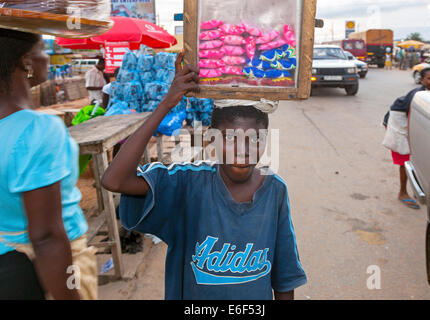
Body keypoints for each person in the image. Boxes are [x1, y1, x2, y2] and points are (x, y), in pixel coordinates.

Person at [101, 53, 307, 300]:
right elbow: (114, 180)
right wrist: (166, 103)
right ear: (212, 138)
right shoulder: (188, 183)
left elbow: (284, 276)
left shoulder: (275, 190)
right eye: (230, 139)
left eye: (254, 139)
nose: (242, 151)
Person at [0, 29, 97, 299]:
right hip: (46, 273)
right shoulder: (38, 129)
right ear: (26, 61)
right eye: (44, 49)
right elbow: (46, 237)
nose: (48, 57)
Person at [383, 67, 430, 209]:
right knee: (405, 158)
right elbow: (411, 120)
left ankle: (418, 189)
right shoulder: (417, 96)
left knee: (419, 157)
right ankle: (402, 193)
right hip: (399, 123)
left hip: (411, 122)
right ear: (422, 80)